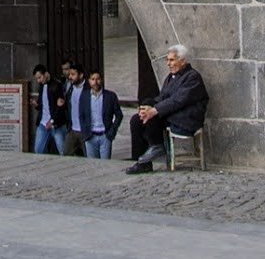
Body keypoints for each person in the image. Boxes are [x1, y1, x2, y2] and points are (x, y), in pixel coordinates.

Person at [125, 44, 207, 173]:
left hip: (186, 118)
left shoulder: (192, 77)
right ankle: (142, 162)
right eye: (167, 60)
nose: (168, 64)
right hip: (172, 114)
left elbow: (178, 100)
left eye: (172, 60)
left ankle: (157, 145)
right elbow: (162, 97)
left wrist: (154, 110)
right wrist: (147, 107)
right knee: (137, 120)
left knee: (153, 115)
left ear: (182, 61)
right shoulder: (171, 77)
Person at [71, 68, 122, 159]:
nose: (95, 82)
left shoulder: (110, 96)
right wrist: (85, 132)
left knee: (105, 164)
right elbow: (81, 115)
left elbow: (119, 115)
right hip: (90, 136)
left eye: (98, 79)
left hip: (105, 136)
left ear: (102, 80)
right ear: (89, 81)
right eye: (93, 79)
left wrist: (112, 130)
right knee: (92, 164)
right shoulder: (84, 96)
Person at [27, 63, 67, 155]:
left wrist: (52, 121)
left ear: (46, 74)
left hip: (56, 124)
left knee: (63, 151)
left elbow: (60, 107)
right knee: (38, 150)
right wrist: (36, 105)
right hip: (43, 123)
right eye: (37, 78)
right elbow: (43, 105)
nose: (38, 80)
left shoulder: (57, 85)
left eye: (40, 77)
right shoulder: (41, 86)